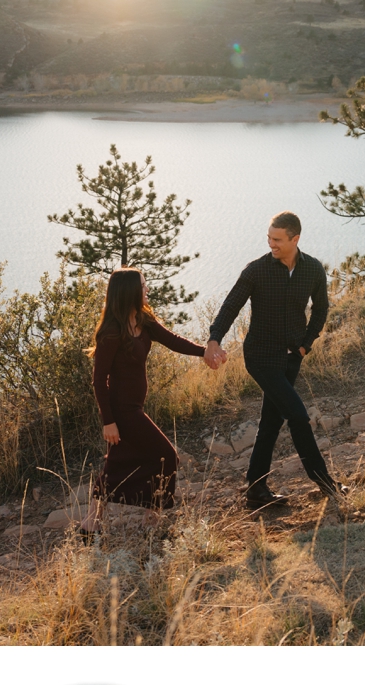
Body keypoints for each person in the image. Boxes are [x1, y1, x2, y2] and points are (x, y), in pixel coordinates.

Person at [209, 211, 343, 515]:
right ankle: (324, 482)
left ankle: (256, 488)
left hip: (291, 358)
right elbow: (231, 305)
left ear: (295, 239)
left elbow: (321, 309)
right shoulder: (256, 270)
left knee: (270, 422)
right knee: (297, 415)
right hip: (260, 356)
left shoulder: (313, 270)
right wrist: (214, 338)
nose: (271, 244)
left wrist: (306, 344)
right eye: (269, 238)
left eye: (278, 240)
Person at [85, 267, 225, 530]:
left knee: (116, 465)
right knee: (166, 456)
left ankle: (90, 524)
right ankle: (152, 519)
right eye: (143, 285)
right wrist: (109, 422)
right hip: (122, 411)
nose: (147, 289)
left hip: (134, 407)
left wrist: (205, 353)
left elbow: (173, 340)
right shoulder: (112, 331)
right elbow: (98, 380)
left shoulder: (142, 320)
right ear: (129, 292)